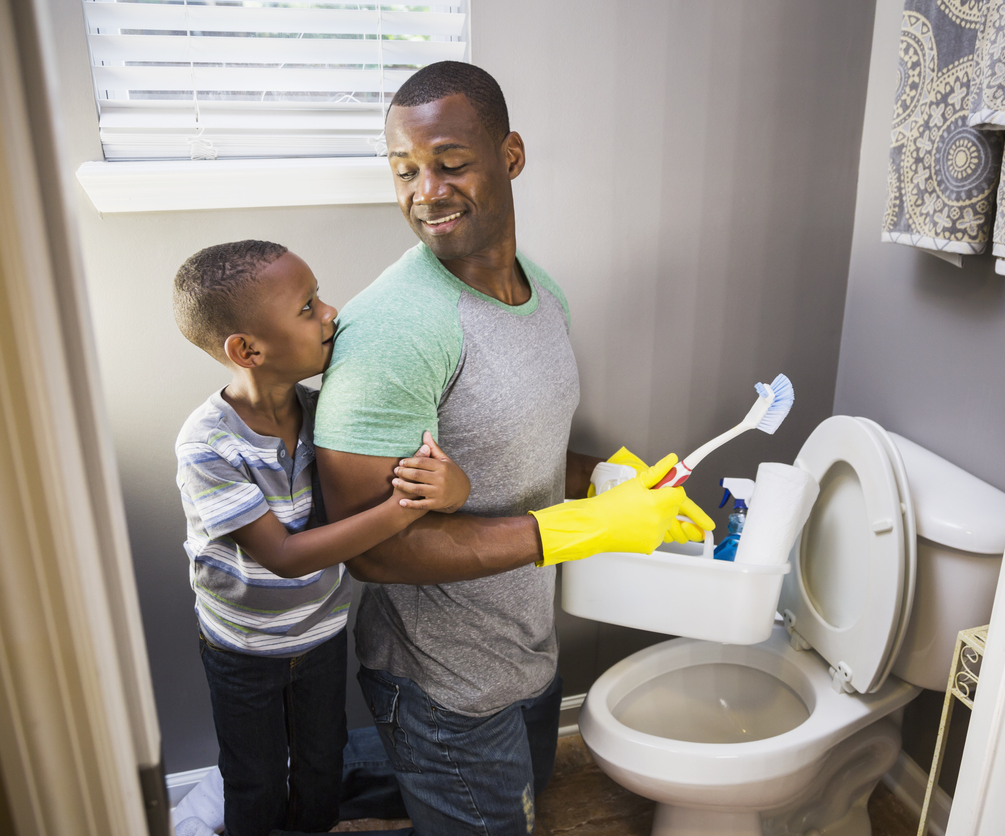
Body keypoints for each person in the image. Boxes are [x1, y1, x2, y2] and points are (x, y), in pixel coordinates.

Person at [313, 62, 714, 835]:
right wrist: (580, 528)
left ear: (512, 155)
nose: (425, 191)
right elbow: (374, 552)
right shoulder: (396, 329)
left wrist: (602, 476)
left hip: (527, 652)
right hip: (443, 687)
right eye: (405, 171)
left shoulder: (542, 295)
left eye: (451, 164)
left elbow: (519, 449)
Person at [172, 240, 471, 836]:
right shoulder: (207, 445)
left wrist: (452, 486)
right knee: (254, 778)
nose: (332, 312)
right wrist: (403, 510)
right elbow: (283, 557)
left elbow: (434, 483)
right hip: (243, 650)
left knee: (320, 765)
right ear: (247, 349)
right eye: (308, 307)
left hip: (321, 634)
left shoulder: (327, 413)